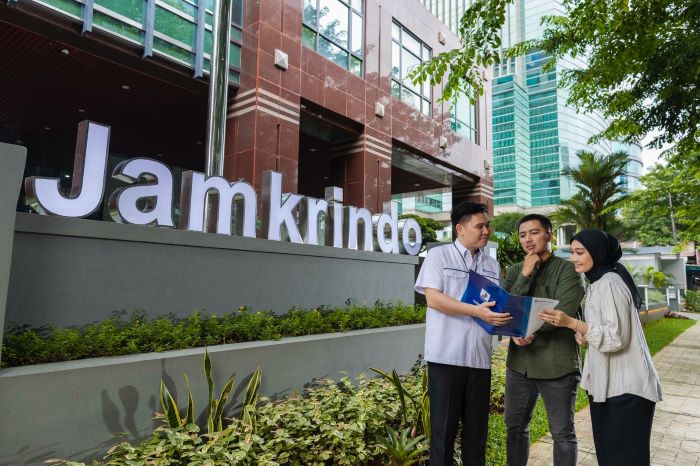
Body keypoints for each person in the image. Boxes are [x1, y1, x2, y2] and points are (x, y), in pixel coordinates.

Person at [540, 228, 662, 466]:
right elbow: (608, 328)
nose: (573, 258)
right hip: (612, 388)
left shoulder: (609, 283)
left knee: (623, 460)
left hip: (626, 391)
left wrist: (571, 323)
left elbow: (616, 338)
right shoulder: (599, 281)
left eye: (580, 252)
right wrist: (586, 334)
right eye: (572, 252)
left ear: (597, 252)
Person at [415, 201, 512, 466]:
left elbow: (495, 308)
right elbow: (433, 299)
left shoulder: (491, 265)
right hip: (446, 358)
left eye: (487, 226)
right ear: (460, 228)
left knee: (477, 435)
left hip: (480, 359)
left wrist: (513, 327)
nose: (486, 231)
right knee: (443, 434)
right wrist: (476, 311)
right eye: (480, 226)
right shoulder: (439, 256)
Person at [503, 214, 586, 466]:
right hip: (519, 365)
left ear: (549, 234)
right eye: (523, 235)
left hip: (557, 365)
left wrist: (527, 330)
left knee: (562, 433)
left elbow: (563, 312)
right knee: (514, 428)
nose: (528, 239)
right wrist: (525, 274)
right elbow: (507, 311)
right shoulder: (516, 270)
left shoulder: (568, 270)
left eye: (534, 232)